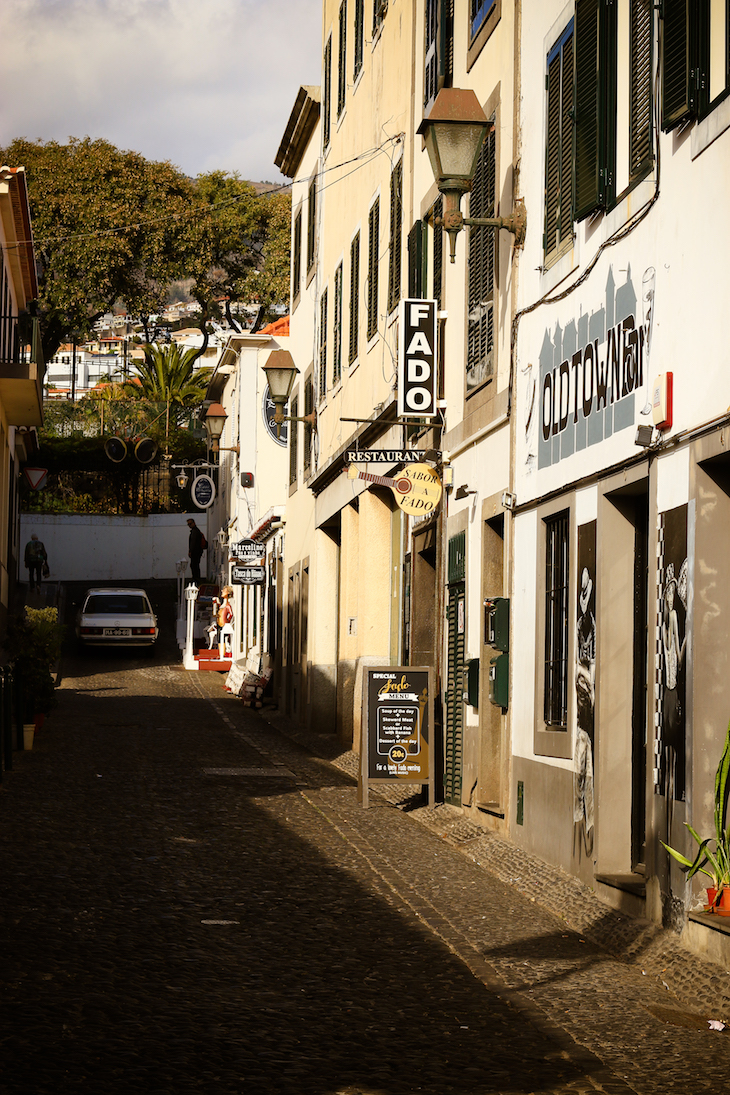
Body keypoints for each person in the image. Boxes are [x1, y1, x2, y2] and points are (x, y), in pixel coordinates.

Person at [218, 586, 234, 659]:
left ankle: (224, 653)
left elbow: (231, 614)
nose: (222, 591)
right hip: (220, 623)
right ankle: (221, 653)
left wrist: (227, 622)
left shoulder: (227, 605)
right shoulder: (223, 605)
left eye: (224, 590)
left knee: (225, 638)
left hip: (224, 624)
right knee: (219, 638)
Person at [187, 518, 205, 584]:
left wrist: (190, 551)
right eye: (188, 524)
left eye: (190, 524)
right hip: (197, 551)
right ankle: (196, 579)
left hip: (195, 552)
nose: (189, 525)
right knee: (195, 565)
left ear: (194, 523)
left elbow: (193, 542)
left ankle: (196, 579)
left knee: (194, 566)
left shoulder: (195, 532)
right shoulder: (196, 531)